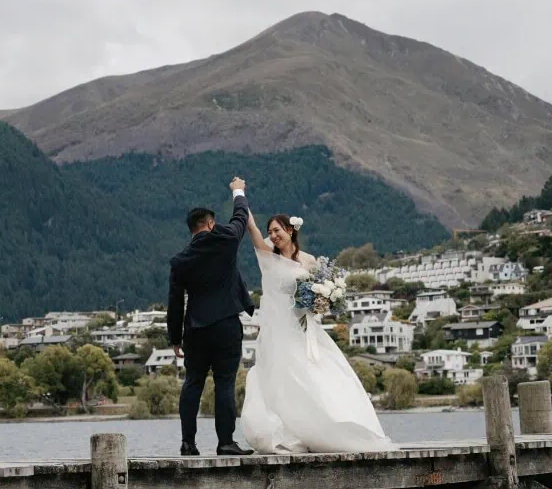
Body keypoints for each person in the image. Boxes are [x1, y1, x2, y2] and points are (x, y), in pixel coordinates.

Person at [240, 212, 395, 454]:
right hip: (277, 328)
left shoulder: (309, 261)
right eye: (270, 232)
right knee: (282, 375)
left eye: (277, 230)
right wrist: (240, 197)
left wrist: (323, 300)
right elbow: (253, 231)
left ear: (290, 231)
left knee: (319, 373)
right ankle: (291, 430)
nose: (273, 235)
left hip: (303, 327)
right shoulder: (268, 256)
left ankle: (331, 425)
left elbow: (324, 287)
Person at [167, 177, 256, 456]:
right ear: (208, 224)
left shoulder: (180, 260)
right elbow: (240, 216)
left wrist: (175, 338)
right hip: (226, 323)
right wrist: (237, 190)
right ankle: (225, 442)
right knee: (225, 383)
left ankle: (187, 443)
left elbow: (174, 303)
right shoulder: (226, 240)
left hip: (195, 328)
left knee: (193, 382)